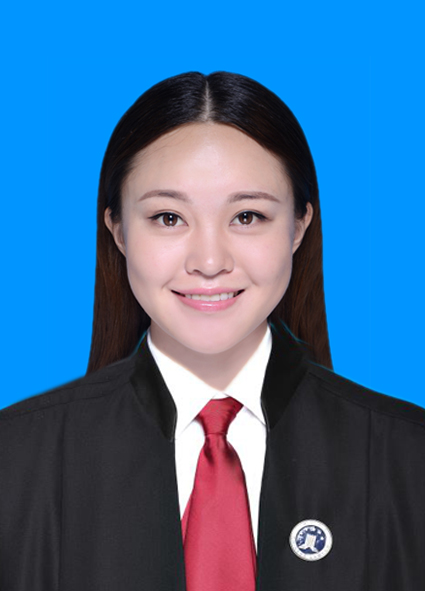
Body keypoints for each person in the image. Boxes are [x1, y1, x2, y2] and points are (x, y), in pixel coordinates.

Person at [0, 71, 424, 591]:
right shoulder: (15, 461)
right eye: (168, 218)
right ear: (117, 229)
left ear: (298, 226)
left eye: (247, 216)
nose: (208, 261)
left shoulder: (408, 459)